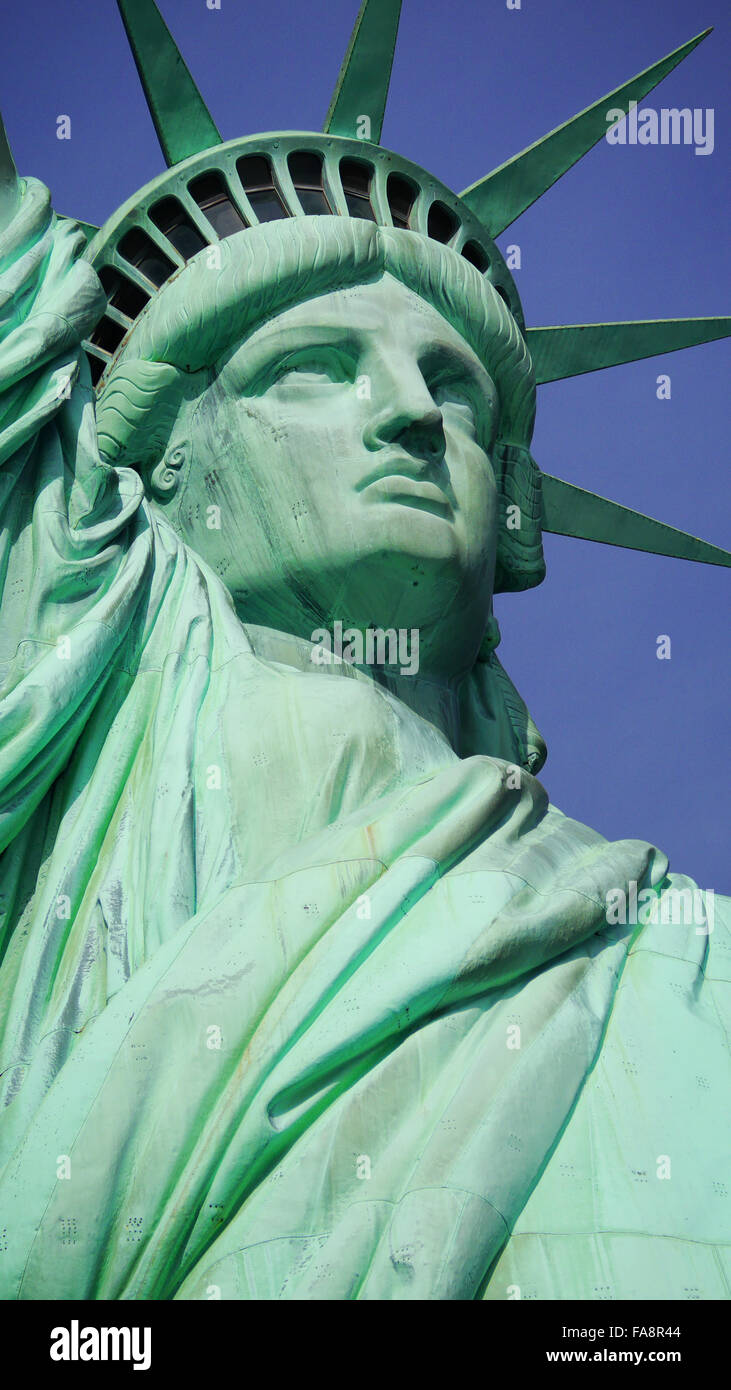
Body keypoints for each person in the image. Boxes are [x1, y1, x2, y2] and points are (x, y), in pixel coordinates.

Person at [0, 38, 728, 1301]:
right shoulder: (104, 664)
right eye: (313, 370)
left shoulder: (665, 950)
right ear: (165, 461)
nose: (409, 413)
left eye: (452, 384)